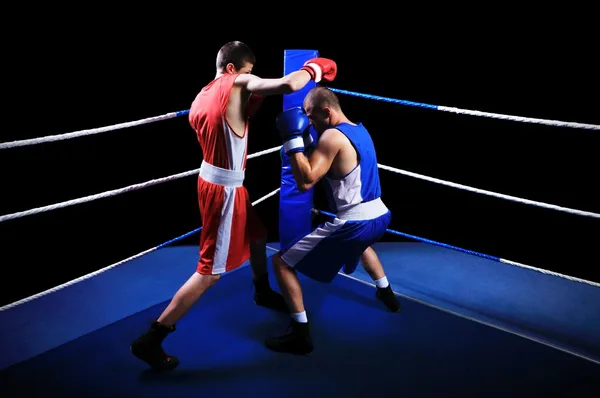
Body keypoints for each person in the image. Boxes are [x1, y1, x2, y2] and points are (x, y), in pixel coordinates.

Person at [130, 41, 338, 370]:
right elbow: (287, 85)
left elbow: (223, 124)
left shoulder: (202, 95)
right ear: (232, 69)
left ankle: (261, 290)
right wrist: (314, 69)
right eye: (248, 72)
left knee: (257, 233)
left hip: (213, 181)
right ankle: (153, 337)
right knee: (209, 272)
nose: (250, 78)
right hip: (225, 190)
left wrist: (249, 107)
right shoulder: (237, 82)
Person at [266, 86, 401, 355]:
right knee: (363, 245)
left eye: (311, 117)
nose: (309, 122)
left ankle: (300, 334)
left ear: (326, 112)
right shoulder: (360, 130)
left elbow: (305, 182)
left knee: (281, 263)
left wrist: (294, 142)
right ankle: (387, 293)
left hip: (355, 223)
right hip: (381, 215)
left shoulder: (330, 137)